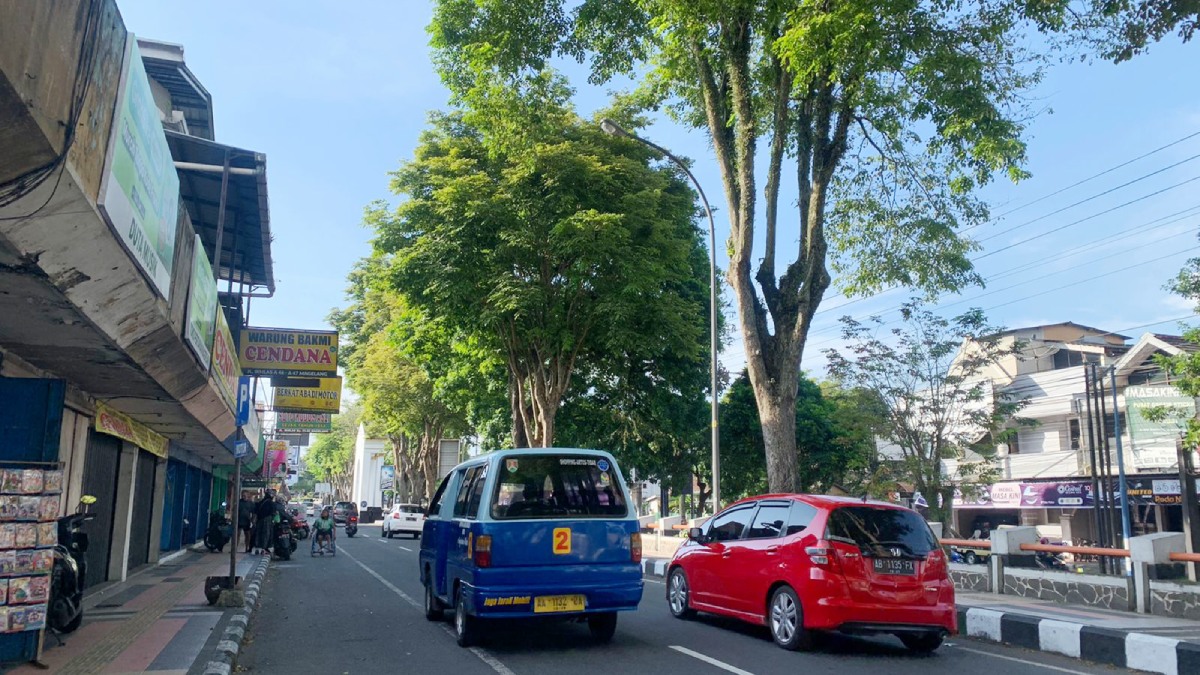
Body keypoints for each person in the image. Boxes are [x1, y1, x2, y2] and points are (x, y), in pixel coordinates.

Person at [253, 490, 277, 555]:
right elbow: (274, 512)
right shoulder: (271, 503)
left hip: (259, 520)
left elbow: (255, 511)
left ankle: (258, 547)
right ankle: (264, 548)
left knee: (259, 533)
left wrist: (254, 520)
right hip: (267, 520)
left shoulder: (261, 502)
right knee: (266, 534)